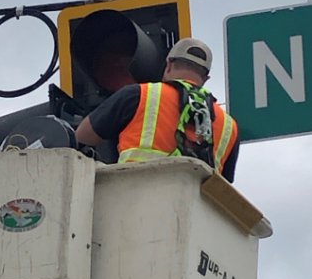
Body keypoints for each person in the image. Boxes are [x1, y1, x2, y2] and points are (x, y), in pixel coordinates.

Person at [75, 38, 239, 182]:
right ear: (205, 78)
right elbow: (223, 184)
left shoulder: (138, 94)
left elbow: (81, 138)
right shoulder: (229, 126)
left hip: (132, 202)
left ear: (168, 65)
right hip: (194, 213)